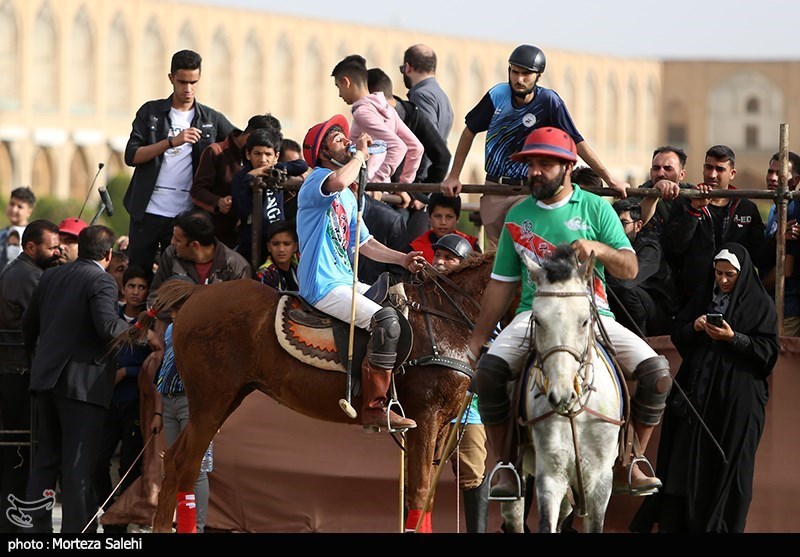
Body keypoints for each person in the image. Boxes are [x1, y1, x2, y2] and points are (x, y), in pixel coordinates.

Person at [466, 126, 672, 500]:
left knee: (657, 374)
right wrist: (479, 337)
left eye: (545, 163)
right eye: (530, 164)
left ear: (568, 166)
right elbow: (501, 284)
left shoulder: (596, 208)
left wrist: (598, 248)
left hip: (593, 315)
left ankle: (632, 459)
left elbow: (629, 267)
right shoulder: (518, 215)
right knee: (489, 373)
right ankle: (506, 465)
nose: (535, 172)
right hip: (535, 314)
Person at [21, 225, 161, 533]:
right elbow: (108, 328)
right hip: (83, 387)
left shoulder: (51, 276)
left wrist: (38, 360)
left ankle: (33, 531)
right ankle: (77, 534)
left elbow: (29, 324)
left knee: (45, 460)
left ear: (80, 248)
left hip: (46, 381)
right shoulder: (101, 280)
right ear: (109, 255)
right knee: (77, 464)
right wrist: (145, 334)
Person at [630, 243, 779, 533]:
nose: (722, 281)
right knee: (681, 464)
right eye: (718, 273)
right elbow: (680, 335)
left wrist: (733, 338)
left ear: (742, 273)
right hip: (695, 400)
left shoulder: (760, 305)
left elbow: (768, 353)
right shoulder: (704, 297)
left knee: (727, 469)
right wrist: (696, 327)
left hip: (735, 405)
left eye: (730, 275)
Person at [297, 115, 427, 432]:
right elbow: (340, 180)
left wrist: (402, 259)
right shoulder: (318, 179)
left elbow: (364, 243)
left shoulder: (348, 196)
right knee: (385, 319)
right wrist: (359, 154)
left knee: (401, 306)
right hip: (323, 284)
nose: (346, 140)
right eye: (337, 138)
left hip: (346, 280)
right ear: (322, 152)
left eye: (345, 137)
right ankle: (374, 407)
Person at [440, 44, 630, 248]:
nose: (519, 79)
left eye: (526, 74)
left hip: (528, 190)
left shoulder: (548, 101)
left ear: (538, 75)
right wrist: (454, 176)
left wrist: (610, 180)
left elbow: (576, 141)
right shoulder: (497, 95)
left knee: (526, 251)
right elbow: (469, 131)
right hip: (494, 188)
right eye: (514, 72)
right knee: (495, 257)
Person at [123, 49, 235, 273]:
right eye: (182, 82)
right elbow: (132, 156)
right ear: (171, 78)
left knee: (178, 276)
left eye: (193, 82)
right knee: (138, 273)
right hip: (148, 211)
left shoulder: (211, 119)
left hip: (185, 215)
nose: (188, 89)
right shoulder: (151, 112)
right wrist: (171, 142)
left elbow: (241, 142)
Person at [0, 219, 61, 532]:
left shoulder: (26, 271)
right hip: (16, 373)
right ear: (31, 247)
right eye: (51, 248)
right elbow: (40, 320)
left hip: (14, 369)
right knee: (20, 451)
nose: (56, 252)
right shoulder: (28, 276)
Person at [431, 234, 489, 533]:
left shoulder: (484, 308)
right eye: (437, 255)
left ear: (465, 266)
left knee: (473, 474)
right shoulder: (420, 298)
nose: (439, 261)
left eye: (449, 257)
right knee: (419, 475)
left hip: (469, 407)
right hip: (429, 407)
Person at [661, 145, 768, 306]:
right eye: (708, 167)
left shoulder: (747, 208)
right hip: (693, 296)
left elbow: (760, 257)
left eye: (720, 169)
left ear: (732, 174)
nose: (712, 174)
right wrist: (694, 210)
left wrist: (778, 238)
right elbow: (674, 249)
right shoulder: (685, 202)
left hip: (735, 299)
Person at [92, 265, 152, 534]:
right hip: (107, 401)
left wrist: (127, 371)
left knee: (129, 464)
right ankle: (108, 509)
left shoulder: (151, 322)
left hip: (133, 401)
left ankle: (120, 518)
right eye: (131, 286)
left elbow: (155, 364)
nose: (136, 292)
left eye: (141, 287)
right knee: (98, 461)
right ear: (123, 288)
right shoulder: (109, 317)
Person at [367, 67, 452, 239]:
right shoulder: (407, 112)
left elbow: (442, 156)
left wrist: (419, 193)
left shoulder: (410, 115)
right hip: (396, 201)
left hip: (400, 205)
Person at [332, 54, 423, 211]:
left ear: (346, 82)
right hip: (378, 192)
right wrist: (402, 185)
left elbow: (398, 146)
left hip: (367, 193)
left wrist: (374, 183)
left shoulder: (363, 112)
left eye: (338, 87)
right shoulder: (386, 108)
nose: (340, 94)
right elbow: (416, 147)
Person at [190, 114, 281, 248]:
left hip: (249, 236)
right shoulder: (216, 152)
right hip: (215, 236)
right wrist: (218, 202)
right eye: (257, 151)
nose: (263, 158)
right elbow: (197, 191)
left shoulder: (265, 157)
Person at [230, 127, 308, 264]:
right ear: (248, 154)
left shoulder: (276, 170)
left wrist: (274, 168)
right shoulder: (241, 177)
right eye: (257, 154)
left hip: (278, 241)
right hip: (252, 240)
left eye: (268, 154)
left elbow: (302, 165)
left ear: (276, 156)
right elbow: (241, 209)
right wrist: (250, 178)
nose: (263, 159)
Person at [607, 198, 680, 337]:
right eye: (612, 223)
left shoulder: (649, 247)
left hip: (658, 314)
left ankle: (640, 343)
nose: (616, 229)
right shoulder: (610, 243)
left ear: (638, 226)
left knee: (627, 291)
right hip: (626, 306)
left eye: (623, 223)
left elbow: (627, 280)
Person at [761, 151, 800, 336]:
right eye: (770, 171)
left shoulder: (793, 210)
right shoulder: (774, 209)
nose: (772, 178)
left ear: (795, 181)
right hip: (773, 305)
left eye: (780, 174)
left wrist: (756, 287)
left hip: (788, 309)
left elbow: (786, 270)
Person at [637, 146, 694, 239]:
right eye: (656, 168)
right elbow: (634, 221)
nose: (660, 173)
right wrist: (653, 195)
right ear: (651, 172)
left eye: (668, 168)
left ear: (682, 174)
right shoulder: (640, 192)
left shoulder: (691, 194)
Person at [408, 193, 480, 264]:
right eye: (437, 216)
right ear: (429, 218)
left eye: (449, 217)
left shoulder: (471, 246)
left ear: (457, 218)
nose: (443, 222)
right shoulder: (416, 249)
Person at [256, 220, 299, 291]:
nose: (281, 249)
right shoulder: (265, 273)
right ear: (269, 247)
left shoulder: (302, 262)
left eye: (287, 244)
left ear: (295, 246)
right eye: (275, 244)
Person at [0, 187, 36, 271]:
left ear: (29, 212)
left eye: (20, 207)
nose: (14, 209)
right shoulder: (2, 234)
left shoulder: (32, 236)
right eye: (12, 204)